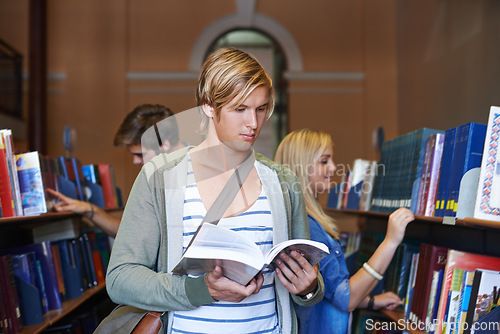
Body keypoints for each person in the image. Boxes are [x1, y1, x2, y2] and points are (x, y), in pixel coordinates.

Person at [105, 48, 324, 334]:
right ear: (208, 106)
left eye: (261, 109)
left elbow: (305, 290)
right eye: (240, 109)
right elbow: (121, 279)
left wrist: (308, 288)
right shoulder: (159, 177)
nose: (254, 124)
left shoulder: (282, 181)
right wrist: (200, 289)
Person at [274, 128, 415, 334]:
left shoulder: (302, 219)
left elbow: (328, 291)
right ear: (301, 167)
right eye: (324, 161)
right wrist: (390, 241)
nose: (333, 168)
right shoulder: (308, 225)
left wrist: (370, 301)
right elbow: (346, 299)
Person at [47, 104, 183, 238]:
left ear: (164, 145)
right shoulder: (160, 175)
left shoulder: (194, 176)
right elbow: (134, 234)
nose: (135, 161)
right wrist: (88, 209)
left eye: (140, 154)